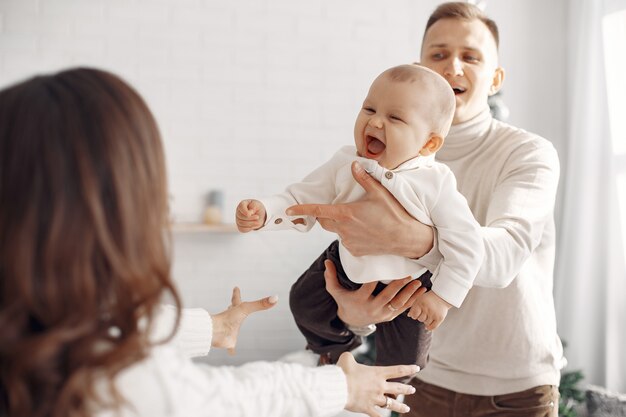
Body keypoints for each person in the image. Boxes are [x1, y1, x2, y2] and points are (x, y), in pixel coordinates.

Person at [0, 67, 421, 417]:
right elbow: (219, 399)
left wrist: (211, 327)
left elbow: (102, 325)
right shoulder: (113, 382)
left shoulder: (28, 315)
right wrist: (336, 387)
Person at [286, 2, 564, 416]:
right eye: (438, 54)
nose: (453, 66)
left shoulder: (528, 153)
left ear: (495, 78)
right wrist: (354, 316)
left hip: (515, 389)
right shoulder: (382, 160)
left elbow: (504, 257)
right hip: (423, 376)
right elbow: (376, 269)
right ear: (422, 71)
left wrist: (411, 239)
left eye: (471, 56)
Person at [236, 64, 483, 369]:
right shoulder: (346, 162)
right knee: (303, 301)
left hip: (411, 282)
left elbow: (468, 244)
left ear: (429, 143)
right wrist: (265, 211)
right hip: (346, 260)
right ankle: (335, 351)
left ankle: (388, 391)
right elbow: (304, 195)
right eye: (369, 108)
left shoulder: (435, 183)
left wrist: (443, 298)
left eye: (395, 118)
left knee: (407, 359)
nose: (376, 121)